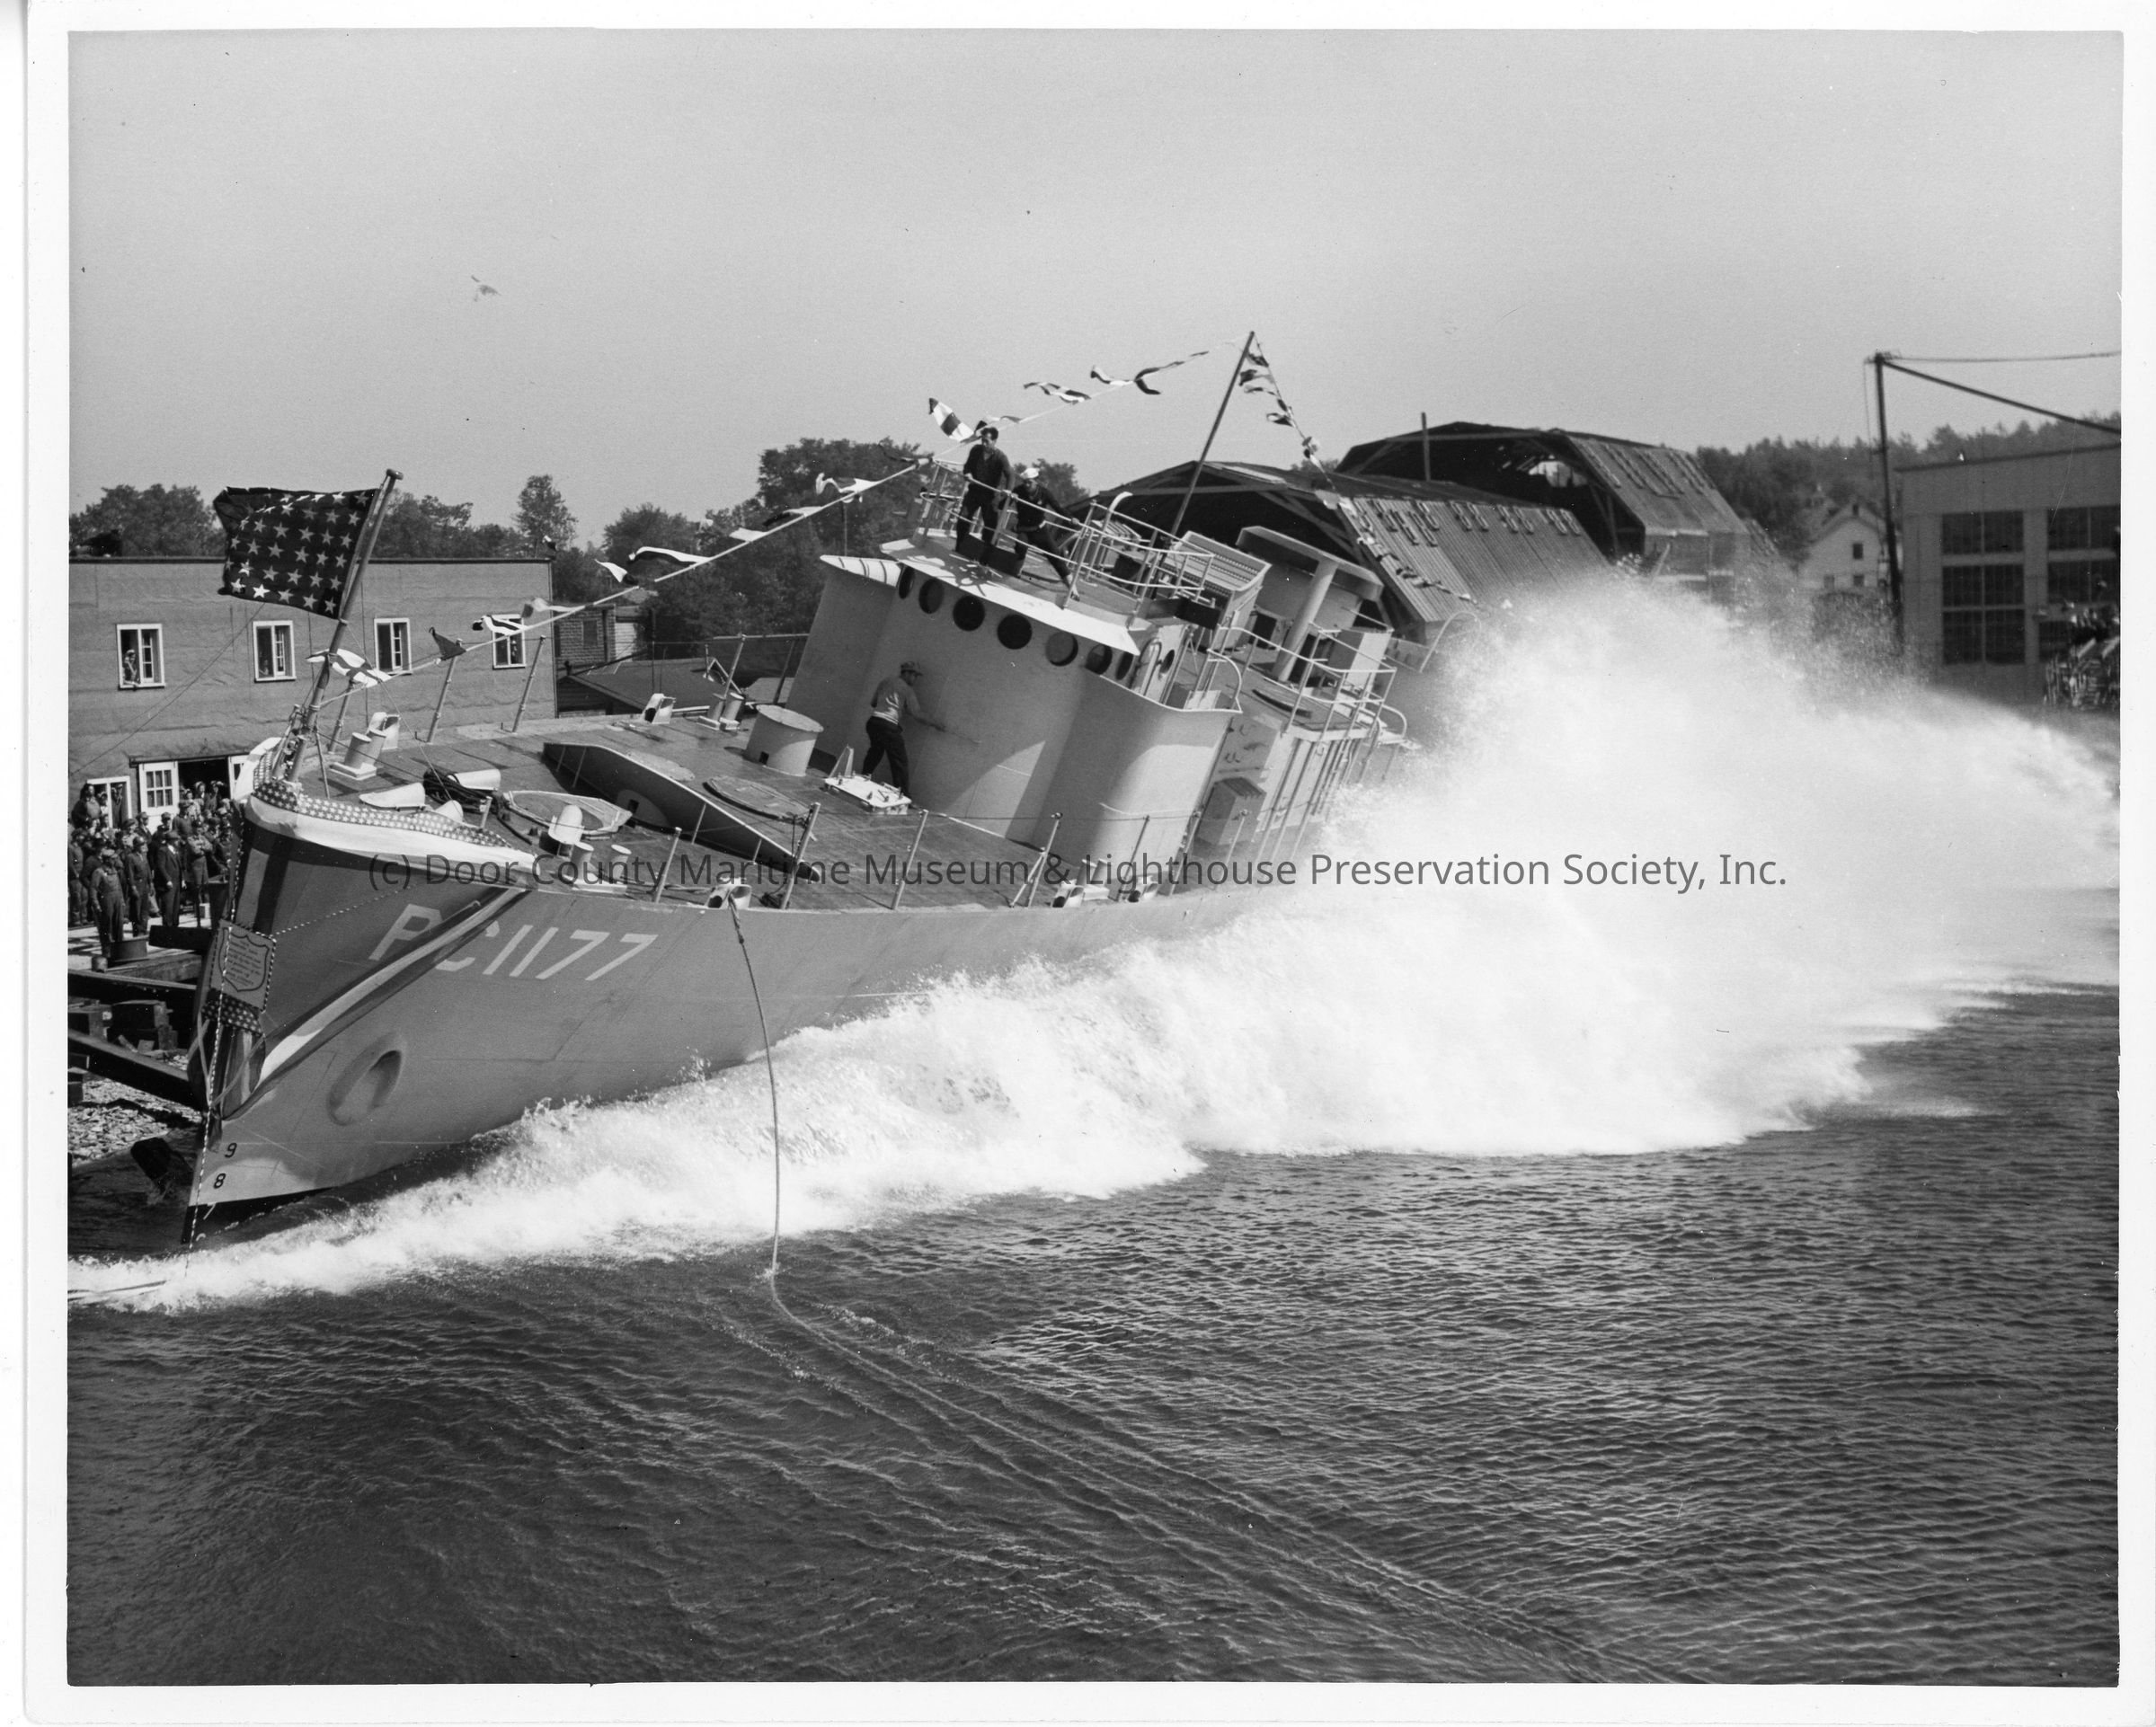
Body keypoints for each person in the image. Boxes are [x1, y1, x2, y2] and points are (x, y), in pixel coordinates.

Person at [860, 661, 944, 798]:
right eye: (914, 676)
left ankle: (863, 778)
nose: (915, 679)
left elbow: (874, 703)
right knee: (900, 762)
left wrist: (895, 704)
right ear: (907, 673)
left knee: (876, 750)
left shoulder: (886, 681)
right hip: (888, 725)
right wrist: (936, 724)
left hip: (874, 722)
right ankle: (903, 795)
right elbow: (917, 714)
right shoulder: (907, 689)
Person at [955, 426, 1015, 556]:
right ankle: (960, 547)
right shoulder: (976, 450)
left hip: (990, 496)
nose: (984, 444)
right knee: (963, 517)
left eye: (987, 441)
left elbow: (1010, 475)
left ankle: (985, 556)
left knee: (990, 527)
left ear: (994, 441)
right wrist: (968, 473)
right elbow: (967, 467)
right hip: (974, 491)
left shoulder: (1001, 457)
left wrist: (1008, 490)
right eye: (982, 440)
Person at [1010, 465, 1073, 583]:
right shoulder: (1018, 491)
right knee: (1020, 546)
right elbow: (1001, 505)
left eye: (1029, 482)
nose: (1027, 485)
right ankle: (1016, 573)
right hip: (1024, 530)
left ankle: (1071, 588)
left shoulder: (1045, 493)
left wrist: (1071, 518)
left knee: (1055, 555)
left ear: (1036, 482)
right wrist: (1009, 497)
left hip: (1040, 531)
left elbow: (1057, 507)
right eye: (1025, 482)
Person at [90, 849, 128, 964]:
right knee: (107, 927)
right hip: (106, 901)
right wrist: (96, 905)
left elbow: (119, 888)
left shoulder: (115, 871)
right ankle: (107, 952)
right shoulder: (99, 872)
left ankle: (119, 951)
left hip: (117, 900)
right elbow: (93, 889)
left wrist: (122, 901)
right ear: (107, 860)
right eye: (113, 859)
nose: (115, 860)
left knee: (118, 925)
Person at [120, 833, 155, 935]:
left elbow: (148, 870)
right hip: (137, 884)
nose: (143, 846)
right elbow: (130, 874)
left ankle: (143, 929)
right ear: (136, 846)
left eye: (143, 844)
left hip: (144, 885)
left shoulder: (143, 856)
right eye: (141, 845)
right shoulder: (130, 857)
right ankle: (138, 931)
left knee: (145, 909)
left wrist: (151, 883)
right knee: (136, 910)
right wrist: (133, 887)